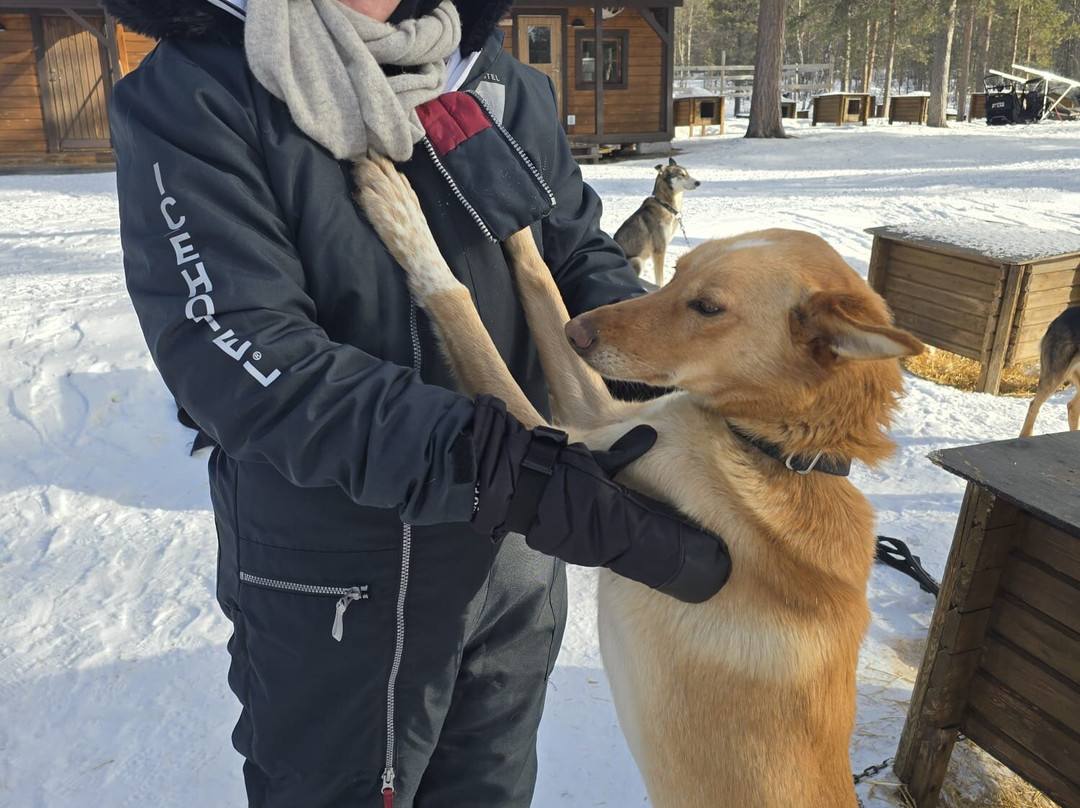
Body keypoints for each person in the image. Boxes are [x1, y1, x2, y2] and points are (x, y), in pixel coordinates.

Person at [103, 0, 731, 805]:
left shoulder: (499, 81)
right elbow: (242, 355)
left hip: (519, 563)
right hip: (344, 574)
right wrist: (512, 472)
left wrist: (700, 377)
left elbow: (577, 258)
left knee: (491, 788)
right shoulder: (199, 92)